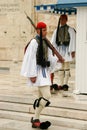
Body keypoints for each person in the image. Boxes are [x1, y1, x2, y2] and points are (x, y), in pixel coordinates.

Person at [21, 21, 62, 129]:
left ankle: (35, 119)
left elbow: (49, 56)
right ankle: (35, 118)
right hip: (37, 72)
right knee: (47, 96)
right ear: (38, 30)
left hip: (44, 72)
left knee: (41, 97)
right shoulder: (34, 42)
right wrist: (32, 74)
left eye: (45, 30)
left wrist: (57, 60)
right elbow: (30, 59)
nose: (45, 32)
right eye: (43, 30)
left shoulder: (44, 41)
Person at [51, 14, 76, 91]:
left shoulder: (70, 29)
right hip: (59, 50)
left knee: (66, 67)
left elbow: (73, 40)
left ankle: (66, 84)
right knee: (60, 67)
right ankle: (61, 84)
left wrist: (72, 50)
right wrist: (53, 50)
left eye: (63, 19)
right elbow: (53, 41)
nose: (62, 21)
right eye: (61, 19)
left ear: (66, 20)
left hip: (67, 50)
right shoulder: (56, 30)